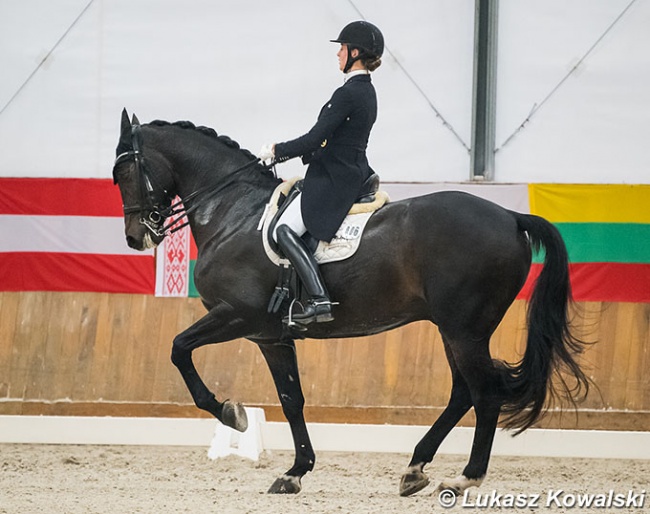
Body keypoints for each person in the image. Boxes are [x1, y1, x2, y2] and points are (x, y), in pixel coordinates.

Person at [259, 20, 384, 325]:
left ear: (355, 52)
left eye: (342, 49)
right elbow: (333, 140)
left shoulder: (348, 94)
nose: (338, 54)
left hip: (335, 177)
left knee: (283, 230)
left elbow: (316, 137)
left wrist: (278, 151)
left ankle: (319, 299)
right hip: (351, 169)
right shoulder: (366, 91)